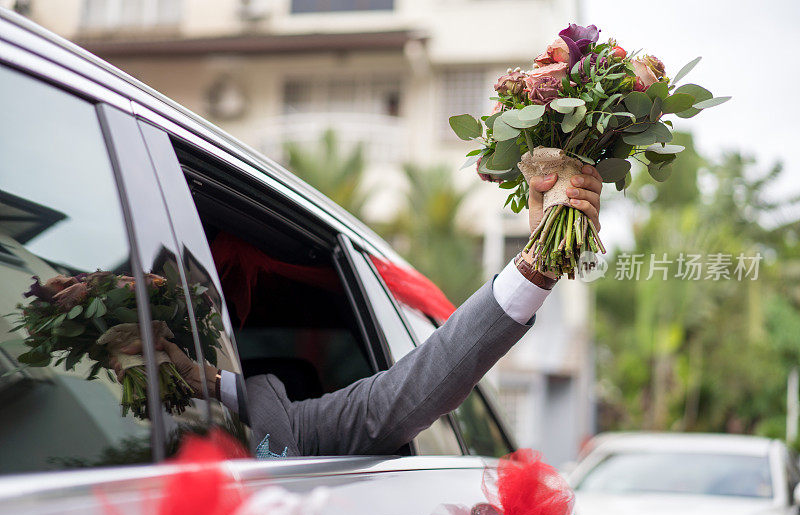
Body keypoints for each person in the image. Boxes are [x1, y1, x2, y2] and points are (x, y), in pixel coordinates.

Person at [125, 166, 604, 458]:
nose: (148, 352)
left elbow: (414, 387)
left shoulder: (291, 424)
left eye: (157, 335)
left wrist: (540, 261)